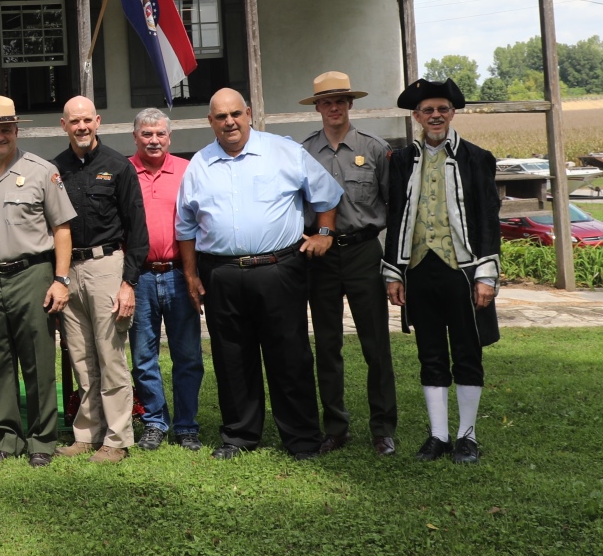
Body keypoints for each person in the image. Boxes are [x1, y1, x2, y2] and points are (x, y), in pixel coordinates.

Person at [176, 89, 343, 460]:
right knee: (232, 358)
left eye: (236, 113)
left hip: (278, 270)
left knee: (290, 355)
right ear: (211, 122)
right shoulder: (199, 165)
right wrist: (191, 276)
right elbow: (185, 227)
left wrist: (325, 234)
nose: (230, 122)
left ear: (249, 113)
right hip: (221, 274)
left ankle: (301, 438)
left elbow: (327, 196)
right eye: (221, 117)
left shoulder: (283, 151)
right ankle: (239, 436)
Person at [383, 78, 501, 464]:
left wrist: (486, 274)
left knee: (467, 351)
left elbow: (487, 218)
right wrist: (394, 272)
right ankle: (438, 436)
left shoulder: (475, 157)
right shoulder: (401, 161)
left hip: (462, 270)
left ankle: (467, 436)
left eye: (442, 109)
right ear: (417, 116)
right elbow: (396, 217)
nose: (435, 116)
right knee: (430, 353)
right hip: (419, 268)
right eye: (428, 110)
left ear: (452, 113)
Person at [0, 95, 75, 467]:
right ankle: (8, 437)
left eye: (6, 129)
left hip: (32, 274)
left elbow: (62, 229)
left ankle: (41, 439)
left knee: (38, 360)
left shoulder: (41, 170)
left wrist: (60, 279)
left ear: (16, 131)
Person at [299, 72, 399, 457]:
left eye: (340, 100)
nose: (334, 107)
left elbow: (392, 206)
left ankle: (383, 428)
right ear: (318, 107)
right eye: (326, 102)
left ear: (350, 104)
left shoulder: (374, 149)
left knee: (376, 344)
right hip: (321, 258)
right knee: (328, 345)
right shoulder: (305, 152)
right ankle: (336, 427)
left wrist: (392, 264)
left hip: (362, 252)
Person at [49, 96, 147, 464]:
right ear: (64, 125)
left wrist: (128, 283)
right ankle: (86, 434)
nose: (82, 127)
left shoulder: (118, 167)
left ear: (98, 121)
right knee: (81, 356)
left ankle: (118, 438)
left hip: (107, 266)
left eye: (87, 120)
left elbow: (137, 228)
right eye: (74, 122)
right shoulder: (54, 169)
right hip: (67, 270)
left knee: (111, 356)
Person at [126, 108, 204, 452]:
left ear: (169, 137)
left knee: (187, 355)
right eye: (147, 134)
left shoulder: (187, 172)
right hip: (139, 277)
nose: (154, 140)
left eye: (160, 134)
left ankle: (186, 425)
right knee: (144, 357)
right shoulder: (124, 172)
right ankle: (155, 421)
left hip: (178, 274)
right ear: (135, 137)